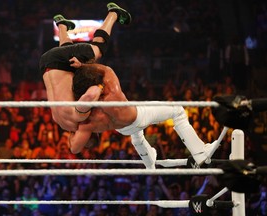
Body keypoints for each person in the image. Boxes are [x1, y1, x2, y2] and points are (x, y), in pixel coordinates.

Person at [69, 63, 218, 168]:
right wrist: (83, 66)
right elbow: (106, 69)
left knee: (136, 133)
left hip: (122, 129)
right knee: (177, 110)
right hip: (137, 117)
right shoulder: (112, 92)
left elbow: (74, 148)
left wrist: (70, 131)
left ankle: (149, 161)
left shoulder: (88, 117)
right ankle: (199, 152)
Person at [39, 2, 131, 132]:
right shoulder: (60, 121)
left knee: (98, 49)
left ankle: (114, 13)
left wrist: (101, 87)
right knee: (68, 58)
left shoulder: (78, 117)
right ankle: (62, 25)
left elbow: (90, 94)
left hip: (57, 61)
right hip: (46, 65)